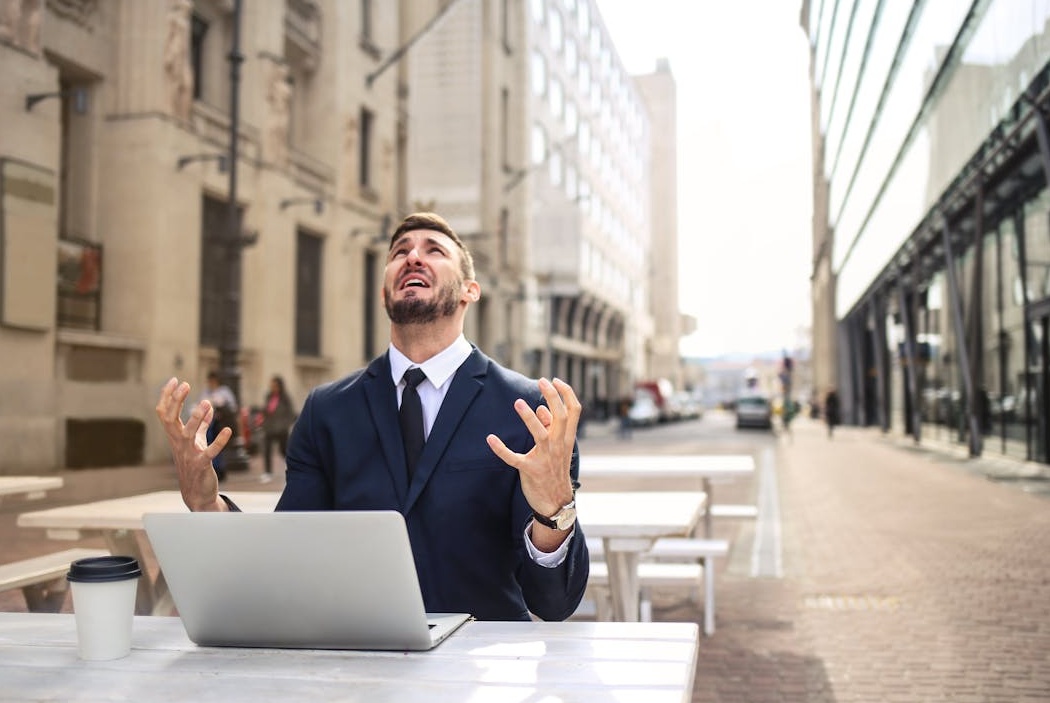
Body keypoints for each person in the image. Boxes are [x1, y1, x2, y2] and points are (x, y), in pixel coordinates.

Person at [156, 212, 589, 622]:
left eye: (433, 250)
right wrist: (205, 504)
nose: (413, 256)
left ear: (469, 291)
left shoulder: (531, 411)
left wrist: (554, 509)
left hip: (480, 668)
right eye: (400, 251)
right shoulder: (327, 411)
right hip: (359, 662)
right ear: (384, 293)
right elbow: (286, 558)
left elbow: (553, 602)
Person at [202, 371, 238, 482]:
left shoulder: (224, 392)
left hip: (220, 423)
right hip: (209, 424)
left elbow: (232, 406)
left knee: (219, 446)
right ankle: (212, 469)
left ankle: (220, 469)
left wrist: (221, 406)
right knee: (209, 445)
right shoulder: (205, 393)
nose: (211, 383)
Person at [259, 375, 296, 483]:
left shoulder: (285, 398)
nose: (272, 387)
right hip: (269, 428)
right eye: (272, 385)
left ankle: (293, 469)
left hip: (281, 429)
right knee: (267, 450)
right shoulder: (269, 396)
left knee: (283, 451)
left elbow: (291, 414)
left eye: (275, 385)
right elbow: (265, 410)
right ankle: (267, 472)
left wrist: (285, 425)